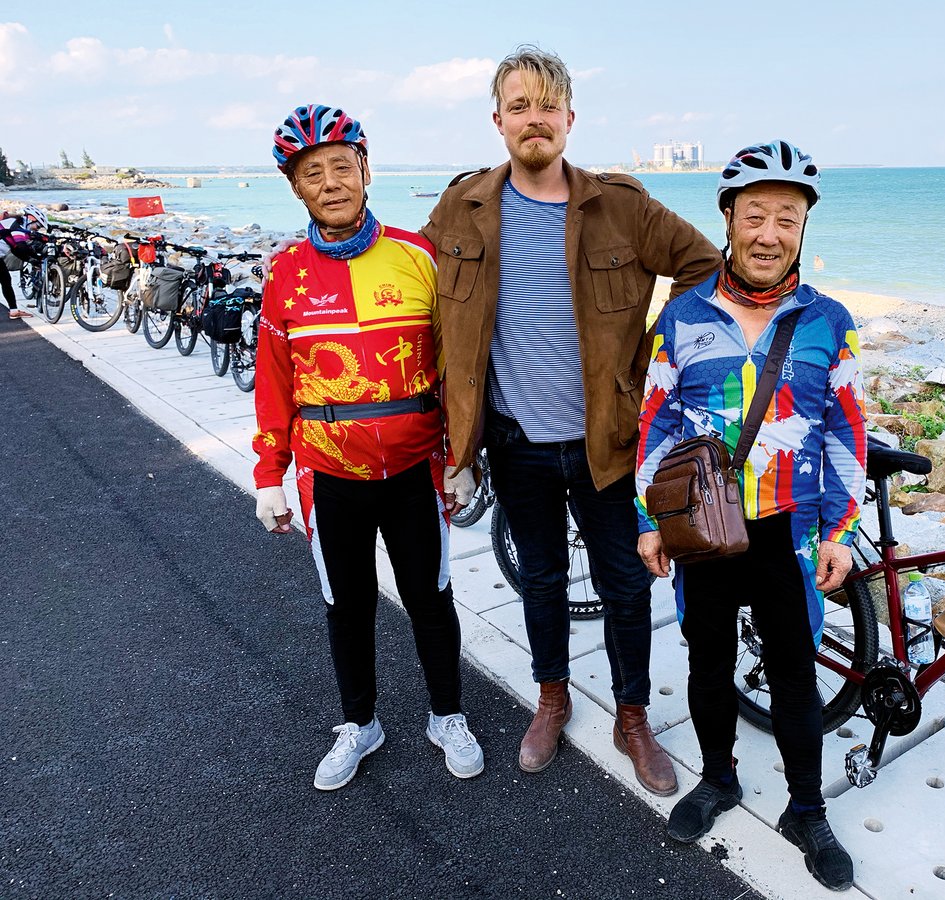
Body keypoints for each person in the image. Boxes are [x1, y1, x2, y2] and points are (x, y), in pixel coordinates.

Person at [422, 46, 721, 796]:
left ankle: (632, 716)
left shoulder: (618, 204)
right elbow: (426, 305)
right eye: (519, 107)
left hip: (609, 443)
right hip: (514, 439)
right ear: (498, 121)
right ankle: (550, 700)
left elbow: (705, 267)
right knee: (544, 579)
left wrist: (650, 362)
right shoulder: (459, 208)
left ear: (569, 120)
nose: (534, 120)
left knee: (625, 585)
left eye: (547, 107)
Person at [634, 141, 867, 891]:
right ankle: (719, 779)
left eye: (788, 220)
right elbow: (656, 423)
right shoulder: (683, 315)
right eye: (756, 215)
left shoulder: (828, 321)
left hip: (791, 530)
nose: (770, 234)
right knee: (709, 663)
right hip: (702, 527)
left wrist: (840, 533)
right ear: (729, 219)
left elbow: (847, 430)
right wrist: (648, 517)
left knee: (796, 676)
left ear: (804, 230)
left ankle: (806, 808)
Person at [252, 104, 483, 791]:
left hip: (417, 470)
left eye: (342, 167)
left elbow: (457, 370)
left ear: (366, 171)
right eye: (312, 173)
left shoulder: (418, 256)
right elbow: (273, 385)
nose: (330, 182)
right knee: (344, 604)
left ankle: (447, 715)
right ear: (297, 189)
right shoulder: (285, 273)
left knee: (430, 596)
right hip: (329, 475)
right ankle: (361, 723)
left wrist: (465, 457)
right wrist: (270, 475)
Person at [0, 205, 46, 319]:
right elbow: (22, 247)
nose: (37, 229)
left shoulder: (16, 227)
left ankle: (14, 311)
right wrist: (36, 257)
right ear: (30, 218)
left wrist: (34, 260)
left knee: (6, 280)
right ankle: (13, 311)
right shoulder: (15, 224)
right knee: (5, 281)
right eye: (38, 225)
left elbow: (17, 250)